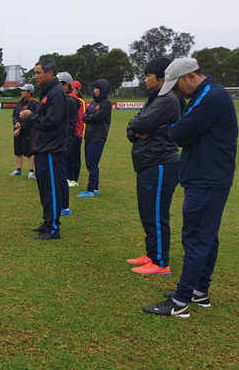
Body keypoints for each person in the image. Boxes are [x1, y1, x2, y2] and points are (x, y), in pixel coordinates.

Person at [143, 58, 237, 318]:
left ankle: (181, 301)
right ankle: (199, 290)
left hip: (207, 178)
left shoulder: (211, 97)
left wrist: (172, 128)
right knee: (206, 236)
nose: (175, 92)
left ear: (190, 77)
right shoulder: (208, 94)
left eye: (176, 86)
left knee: (196, 236)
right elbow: (184, 128)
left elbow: (180, 133)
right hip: (207, 175)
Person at [125, 58, 182, 275]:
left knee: (156, 213)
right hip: (148, 161)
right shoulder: (156, 98)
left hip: (159, 162)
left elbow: (140, 124)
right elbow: (135, 126)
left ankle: (160, 263)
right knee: (148, 211)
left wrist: (139, 128)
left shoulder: (167, 99)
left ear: (162, 78)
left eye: (148, 75)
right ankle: (151, 254)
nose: (145, 78)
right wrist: (137, 130)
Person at [19, 60, 68, 240]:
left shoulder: (56, 93)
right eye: (35, 72)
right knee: (45, 188)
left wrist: (31, 116)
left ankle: (53, 229)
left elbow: (51, 122)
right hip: (43, 147)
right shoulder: (47, 93)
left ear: (50, 73)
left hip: (50, 148)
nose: (36, 76)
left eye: (39, 73)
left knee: (52, 188)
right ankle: (48, 222)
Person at [78, 79, 112, 197]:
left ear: (103, 90)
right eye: (94, 88)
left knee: (92, 163)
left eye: (97, 88)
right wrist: (89, 117)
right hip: (89, 136)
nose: (95, 91)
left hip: (99, 137)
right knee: (89, 162)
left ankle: (91, 189)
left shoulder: (106, 104)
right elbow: (84, 116)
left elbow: (97, 117)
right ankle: (95, 187)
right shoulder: (93, 103)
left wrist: (89, 117)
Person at [56, 72, 78, 216]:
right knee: (60, 174)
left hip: (63, 142)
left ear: (65, 85)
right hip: (63, 141)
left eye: (59, 84)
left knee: (62, 175)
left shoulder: (69, 101)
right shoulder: (65, 99)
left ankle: (65, 206)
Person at [10, 84, 37, 179]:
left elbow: (31, 119)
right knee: (18, 151)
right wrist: (16, 122)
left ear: (29, 92)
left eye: (24, 90)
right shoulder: (20, 103)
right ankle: (18, 169)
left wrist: (20, 128)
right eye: (21, 90)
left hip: (27, 131)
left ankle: (31, 171)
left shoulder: (33, 104)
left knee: (29, 152)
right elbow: (14, 114)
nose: (22, 92)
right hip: (18, 130)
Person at [66, 81, 86, 187]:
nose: (72, 90)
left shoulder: (80, 102)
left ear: (78, 90)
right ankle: (68, 178)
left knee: (75, 157)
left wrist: (78, 134)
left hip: (76, 134)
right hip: (68, 134)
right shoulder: (69, 100)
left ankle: (75, 179)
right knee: (68, 156)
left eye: (74, 89)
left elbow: (81, 119)